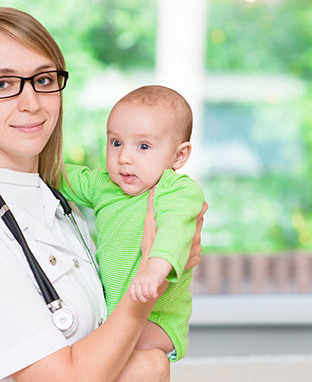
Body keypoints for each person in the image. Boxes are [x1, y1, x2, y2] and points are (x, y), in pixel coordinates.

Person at [0, 7, 206, 382]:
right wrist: (148, 288)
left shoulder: (61, 203)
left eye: (43, 79)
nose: (31, 102)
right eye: (2, 84)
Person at [61, 85, 204, 362]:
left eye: (143, 146)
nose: (124, 158)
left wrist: (154, 269)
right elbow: (62, 176)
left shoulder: (176, 189)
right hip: (113, 313)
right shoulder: (104, 185)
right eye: (116, 143)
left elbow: (175, 230)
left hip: (158, 319)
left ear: (179, 156)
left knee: (97, 355)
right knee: (95, 352)